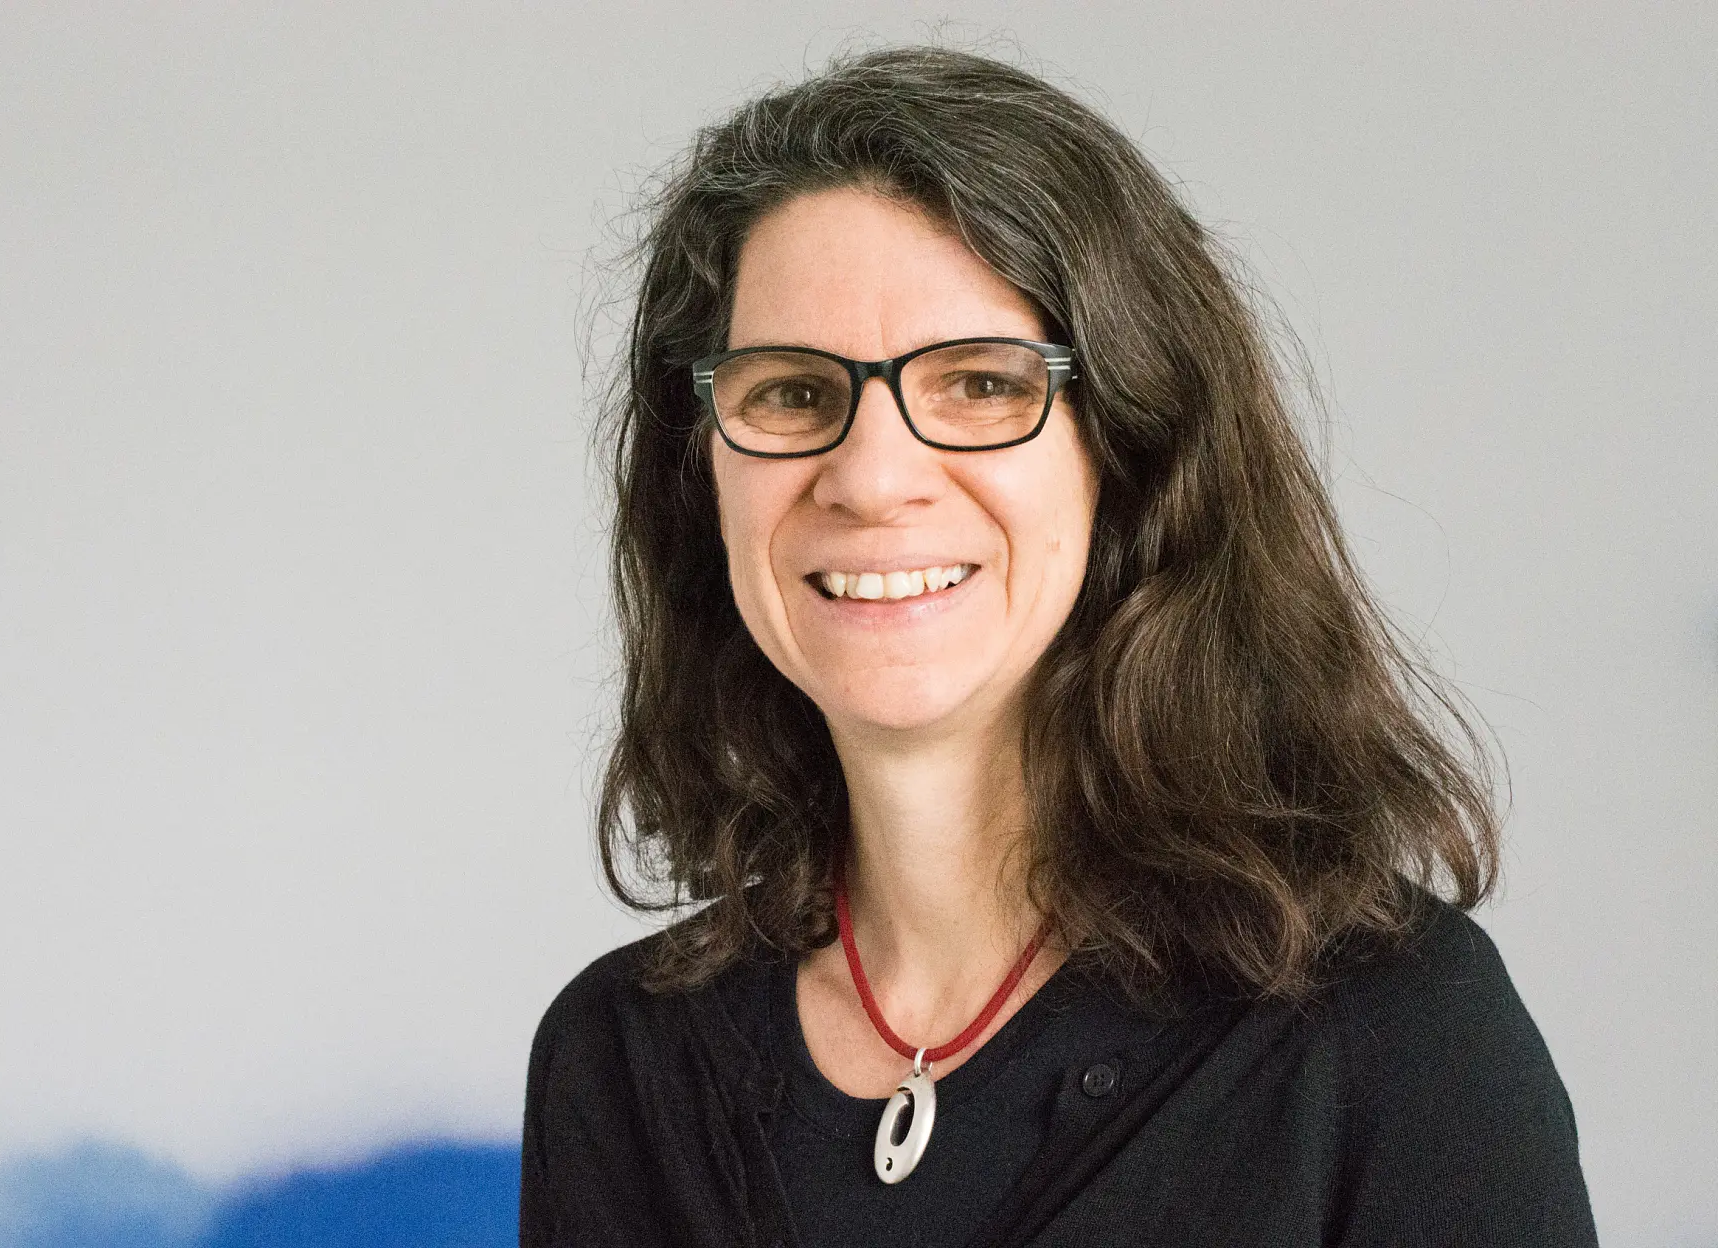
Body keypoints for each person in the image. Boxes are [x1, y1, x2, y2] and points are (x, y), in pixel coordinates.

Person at [519, 45, 1596, 1247]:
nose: (870, 478)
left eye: (980, 385)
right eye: (792, 392)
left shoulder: (1389, 1039)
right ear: (701, 470)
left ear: (1130, 456)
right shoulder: (620, 1062)